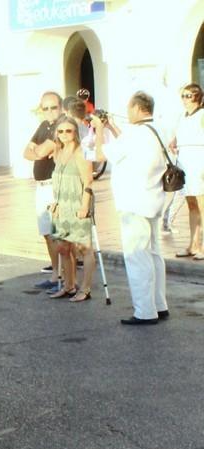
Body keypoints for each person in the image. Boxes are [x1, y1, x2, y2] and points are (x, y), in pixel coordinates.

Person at [92, 91, 169, 325]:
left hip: (134, 202)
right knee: (154, 254)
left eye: (128, 108)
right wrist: (112, 127)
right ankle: (159, 304)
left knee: (137, 256)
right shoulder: (157, 130)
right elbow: (126, 147)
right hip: (154, 199)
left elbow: (99, 154)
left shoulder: (134, 135)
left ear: (136, 108)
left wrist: (98, 131)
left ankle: (145, 311)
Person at [47, 116, 94, 301]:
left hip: (77, 204)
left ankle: (86, 288)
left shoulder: (81, 152)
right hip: (61, 206)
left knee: (84, 248)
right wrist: (55, 201)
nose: (64, 135)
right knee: (63, 248)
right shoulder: (59, 151)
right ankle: (69, 285)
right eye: (61, 131)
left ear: (75, 132)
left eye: (69, 131)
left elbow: (88, 180)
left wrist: (84, 206)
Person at [24, 91, 64, 290]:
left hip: (53, 185)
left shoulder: (61, 127)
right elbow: (27, 151)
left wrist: (38, 152)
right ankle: (55, 274)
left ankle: (64, 275)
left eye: (53, 107)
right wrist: (37, 153)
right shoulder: (43, 126)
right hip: (40, 186)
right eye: (45, 108)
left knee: (58, 233)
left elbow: (40, 151)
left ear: (61, 107)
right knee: (46, 232)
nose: (49, 112)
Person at [170, 83, 204, 259]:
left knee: (202, 204)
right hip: (185, 160)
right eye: (183, 96)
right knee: (191, 204)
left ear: (197, 97)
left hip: (199, 160)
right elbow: (177, 135)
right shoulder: (182, 116)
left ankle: (203, 247)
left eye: (188, 96)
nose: (184, 99)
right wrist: (174, 141)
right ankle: (193, 244)